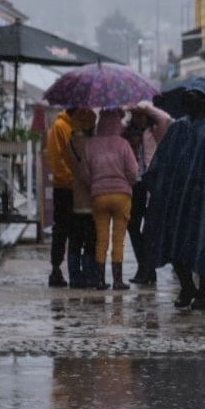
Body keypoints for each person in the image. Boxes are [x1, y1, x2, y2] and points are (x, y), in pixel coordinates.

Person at [142, 81, 205, 311]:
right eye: (189, 97)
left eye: (196, 96)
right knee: (178, 247)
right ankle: (187, 286)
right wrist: (156, 185)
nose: (192, 101)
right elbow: (164, 161)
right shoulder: (179, 128)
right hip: (181, 200)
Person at [76, 109, 139, 290]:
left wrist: (95, 183)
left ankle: (100, 280)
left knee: (101, 238)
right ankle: (118, 280)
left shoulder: (91, 145)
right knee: (118, 239)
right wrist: (128, 183)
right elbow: (134, 172)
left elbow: (84, 173)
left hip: (99, 196)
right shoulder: (123, 144)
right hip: (122, 195)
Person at [125, 101, 172, 285]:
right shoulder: (127, 132)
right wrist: (127, 109)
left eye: (141, 114)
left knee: (150, 229)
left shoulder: (155, 131)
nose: (138, 117)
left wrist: (145, 107)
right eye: (135, 114)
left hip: (153, 184)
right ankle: (144, 266)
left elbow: (165, 118)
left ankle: (147, 270)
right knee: (133, 226)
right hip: (135, 184)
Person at [45, 107, 90, 288]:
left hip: (78, 188)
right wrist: (73, 179)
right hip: (64, 187)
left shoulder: (78, 126)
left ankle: (76, 272)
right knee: (61, 228)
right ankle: (56, 269)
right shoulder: (59, 126)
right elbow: (57, 160)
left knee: (77, 229)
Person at [66, 108, 99, 289]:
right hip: (92, 198)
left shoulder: (70, 142)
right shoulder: (93, 144)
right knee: (91, 240)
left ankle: (73, 276)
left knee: (75, 240)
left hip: (76, 196)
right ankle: (89, 275)